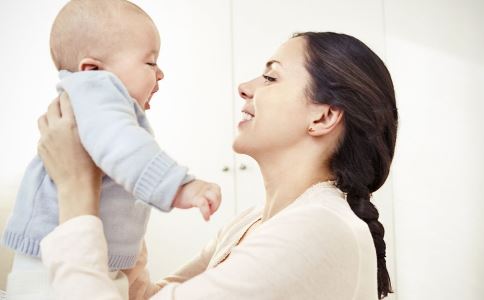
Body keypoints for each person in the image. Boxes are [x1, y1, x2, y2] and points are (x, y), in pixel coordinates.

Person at [38, 31, 397, 299]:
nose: (244, 87)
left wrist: (75, 191)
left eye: (271, 77)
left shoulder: (318, 229)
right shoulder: (254, 223)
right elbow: (147, 295)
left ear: (324, 116)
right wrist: (119, 179)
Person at [2, 0, 221, 298]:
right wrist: (180, 186)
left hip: (73, 260)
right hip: (50, 269)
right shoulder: (95, 89)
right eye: (150, 62)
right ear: (92, 69)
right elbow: (123, 146)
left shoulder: (95, 103)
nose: (161, 74)